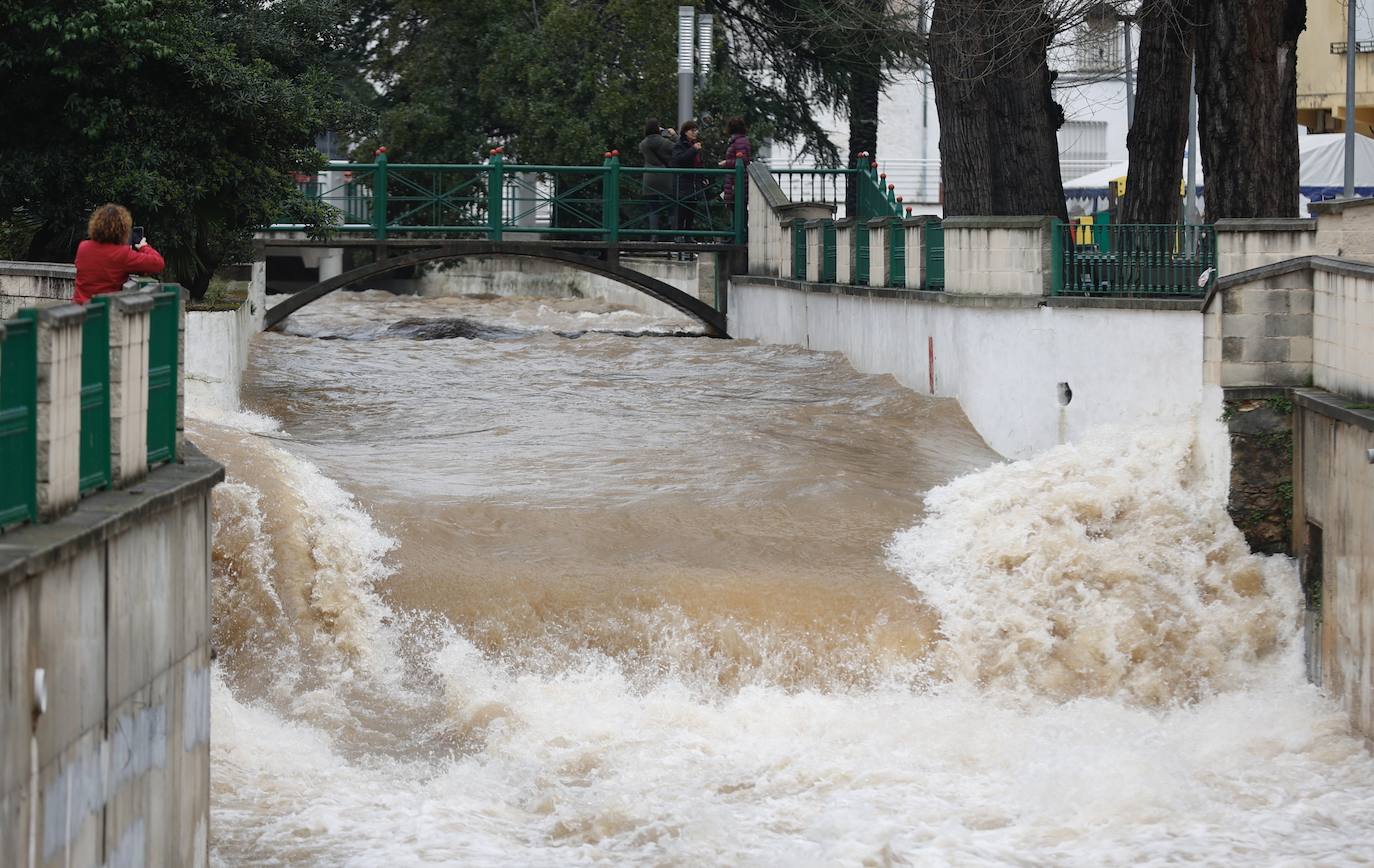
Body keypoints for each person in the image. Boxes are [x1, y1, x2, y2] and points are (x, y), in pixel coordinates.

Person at [74, 204, 165, 304]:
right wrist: (144, 246)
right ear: (123, 230)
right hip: (103, 313)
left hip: (78, 311)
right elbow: (158, 264)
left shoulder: (83, 247)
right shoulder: (122, 254)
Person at [638, 118, 676, 236]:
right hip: (665, 177)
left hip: (649, 178)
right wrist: (673, 135)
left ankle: (654, 235)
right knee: (672, 206)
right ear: (658, 129)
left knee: (653, 208)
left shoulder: (643, 144)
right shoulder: (665, 142)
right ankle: (675, 234)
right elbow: (678, 149)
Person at [671, 120, 706, 246]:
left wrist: (703, 176)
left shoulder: (695, 145)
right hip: (683, 182)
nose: (695, 133)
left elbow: (699, 163)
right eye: (692, 130)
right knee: (682, 209)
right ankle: (678, 234)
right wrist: (693, 150)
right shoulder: (680, 145)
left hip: (694, 182)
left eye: (696, 130)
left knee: (691, 209)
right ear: (686, 132)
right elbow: (679, 160)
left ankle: (688, 234)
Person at [719, 116, 753, 209]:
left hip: (736, 180)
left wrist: (727, 163)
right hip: (738, 180)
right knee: (739, 207)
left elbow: (742, 160)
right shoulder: (741, 140)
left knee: (738, 208)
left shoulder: (738, 142)